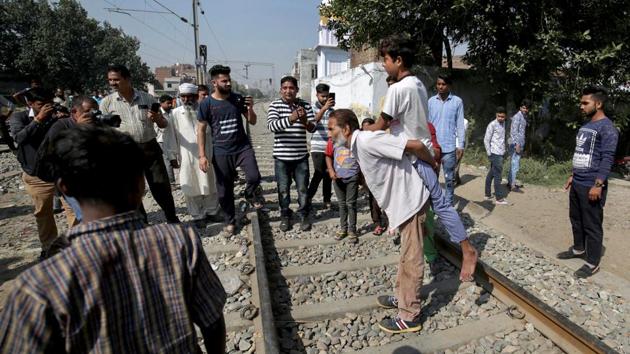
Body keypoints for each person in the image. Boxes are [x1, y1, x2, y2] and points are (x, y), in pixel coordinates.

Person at [0, 125, 227, 353]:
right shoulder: (179, 241)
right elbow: (212, 320)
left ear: (65, 190)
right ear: (141, 184)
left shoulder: (38, 286)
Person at [328, 109, 477, 334]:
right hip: (402, 205)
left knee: (412, 259)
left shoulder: (368, 140)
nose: (329, 134)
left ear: (346, 129)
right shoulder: (358, 145)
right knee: (406, 256)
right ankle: (402, 298)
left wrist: (433, 165)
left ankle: (410, 315)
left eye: (332, 129)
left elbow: (416, 146)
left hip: (411, 202)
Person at [365, 35, 471, 261]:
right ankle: (453, 248)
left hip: (413, 156)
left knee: (429, 207)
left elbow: (381, 124)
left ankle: (464, 250)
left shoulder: (399, 88)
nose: (384, 64)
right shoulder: (419, 84)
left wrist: (360, 134)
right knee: (435, 205)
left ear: (399, 60)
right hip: (422, 152)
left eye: (386, 59)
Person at [100, 64, 180, 223]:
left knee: (160, 186)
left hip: (150, 149)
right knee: (132, 190)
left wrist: (157, 118)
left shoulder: (147, 98)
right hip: (124, 152)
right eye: (110, 80)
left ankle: (172, 218)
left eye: (116, 79)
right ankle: (142, 223)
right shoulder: (107, 103)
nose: (112, 83)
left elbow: (164, 124)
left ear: (127, 79)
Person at [557, 86, 618, 278]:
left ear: (598, 104)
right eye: (581, 102)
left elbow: (607, 158)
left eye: (585, 103)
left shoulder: (607, 128)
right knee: (576, 218)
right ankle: (578, 249)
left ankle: (592, 263)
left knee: (592, 224)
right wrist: (573, 175)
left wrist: (598, 184)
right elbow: (582, 153)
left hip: (592, 184)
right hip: (578, 182)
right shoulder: (586, 126)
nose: (581, 106)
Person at [9, 87, 76, 259]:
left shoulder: (56, 116)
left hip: (62, 172)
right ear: (30, 103)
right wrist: (38, 120)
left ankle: (77, 244)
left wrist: (64, 121)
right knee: (44, 213)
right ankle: (49, 248)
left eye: (49, 103)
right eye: (41, 104)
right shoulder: (20, 117)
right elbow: (19, 138)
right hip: (36, 175)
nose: (46, 107)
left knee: (73, 209)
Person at [197, 65, 263, 235]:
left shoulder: (237, 98)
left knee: (254, 177)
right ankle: (230, 221)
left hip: (242, 147)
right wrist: (202, 156)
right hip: (221, 151)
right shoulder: (206, 104)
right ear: (214, 83)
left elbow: (253, 121)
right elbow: (201, 130)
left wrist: (250, 108)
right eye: (224, 80)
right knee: (224, 190)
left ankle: (248, 194)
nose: (228, 83)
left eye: (229, 80)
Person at [35, 96, 102, 225]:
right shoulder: (60, 126)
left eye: (95, 112)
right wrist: (78, 130)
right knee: (87, 217)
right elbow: (52, 155)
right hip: (71, 182)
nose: (92, 115)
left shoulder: (95, 125)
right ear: (74, 112)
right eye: (88, 111)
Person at [166, 83, 221, 229]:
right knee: (190, 184)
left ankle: (212, 211)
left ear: (195, 97)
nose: (186, 99)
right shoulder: (175, 113)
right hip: (186, 155)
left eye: (189, 96)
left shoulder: (206, 109)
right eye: (183, 97)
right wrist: (172, 155)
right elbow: (171, 135)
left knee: (210, 182)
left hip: (207, 152)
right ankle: (197, 215)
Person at [267, 76, 316, 232]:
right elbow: (272, 126)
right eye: (285, 88)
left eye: (291, 88)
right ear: (281, 90)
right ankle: (285, 215)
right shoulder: (275, 105)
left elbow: (312, 128)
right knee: (283, 189)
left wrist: (303, 120)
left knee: (302, 189)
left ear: (296, 90)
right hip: (281, 158)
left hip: (301, 157)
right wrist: (291, 118)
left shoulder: (305, 106)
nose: (288, 91)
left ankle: (303, 215)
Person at [428, 74, 466, 206]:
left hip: (449, 147)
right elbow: (427, 124)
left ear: (449, 85)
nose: (440, 87)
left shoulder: (457, 102)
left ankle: (448, 207)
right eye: (438, 84)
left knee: (449, 180)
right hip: (433, 147)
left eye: (443, 84)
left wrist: (460, 145)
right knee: (432, 179)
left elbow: (460, 125)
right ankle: (433, 206)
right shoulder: (431, 102)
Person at [325, 112, 360, 243]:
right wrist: (331, 171)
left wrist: (360, 175)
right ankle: (343, 228)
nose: (329, 133)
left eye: (331, 129)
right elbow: (328, 156)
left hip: (352, 177)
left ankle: (352, 230)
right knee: (342, 204)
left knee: (351, 204)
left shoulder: (353, 142)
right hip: (337, 178)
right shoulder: (332, 141)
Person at [307, 83, 335, 210]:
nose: (325, 99)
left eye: (327, 96)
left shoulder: (332, 111)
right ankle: (308, 197)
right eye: (322, 96)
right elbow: (312, 124)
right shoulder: (311, 108)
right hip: (317, 146)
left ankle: (327, 199)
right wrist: (323, 109)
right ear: (317, 95)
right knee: (319, 173)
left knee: (328, 173)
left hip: (329, 146)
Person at [360, 118, 387, 235]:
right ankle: (377, 223)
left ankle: (389, 220)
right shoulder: (360, 143)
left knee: (386, 199)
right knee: (373, 201)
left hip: (382, 175)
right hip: (369, 177)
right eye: (364, 129)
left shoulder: (380, 140)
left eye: (368, 128)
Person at [483, 107, 508, 205]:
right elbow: (486, 140)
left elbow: (502, 138)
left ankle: (487, 194)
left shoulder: (504, 123)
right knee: (498, 176)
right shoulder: (492, 125)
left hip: (501, 152)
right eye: (499, 116)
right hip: (494, 153)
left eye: (503, 116)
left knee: (491, 173)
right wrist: (489, 154)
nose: (501, 118)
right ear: (496, 115)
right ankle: (499, 198)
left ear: (505, 116)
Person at [507, 99, 530, 192]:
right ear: (520, 107)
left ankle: (510, 182)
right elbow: (513, 131)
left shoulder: (524, 117)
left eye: (527, 108)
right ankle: (512, 185)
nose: (525, 110)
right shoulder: (517, 117)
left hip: (520, 143)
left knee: (514, 163)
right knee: (515, 163)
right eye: (524, 108)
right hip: (515, 144)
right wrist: (516, 144)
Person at [157, 94, 177, 183]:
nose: (170, 105)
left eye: (171, 103)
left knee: (171, 159)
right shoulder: (158, 114)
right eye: (168, 103)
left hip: (170, 139)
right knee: (167, 160)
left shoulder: (172, 112)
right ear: (161, 103)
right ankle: (171, 181)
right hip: (162, 140)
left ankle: (171, 180)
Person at [454, 117, 469, 186]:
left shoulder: (465, 121)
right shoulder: (450, 118)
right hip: (451, 144)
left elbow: (462, 133)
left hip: (459, 145)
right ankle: (457, 179)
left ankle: (454, 180)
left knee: (456, 164)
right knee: (454, 164)